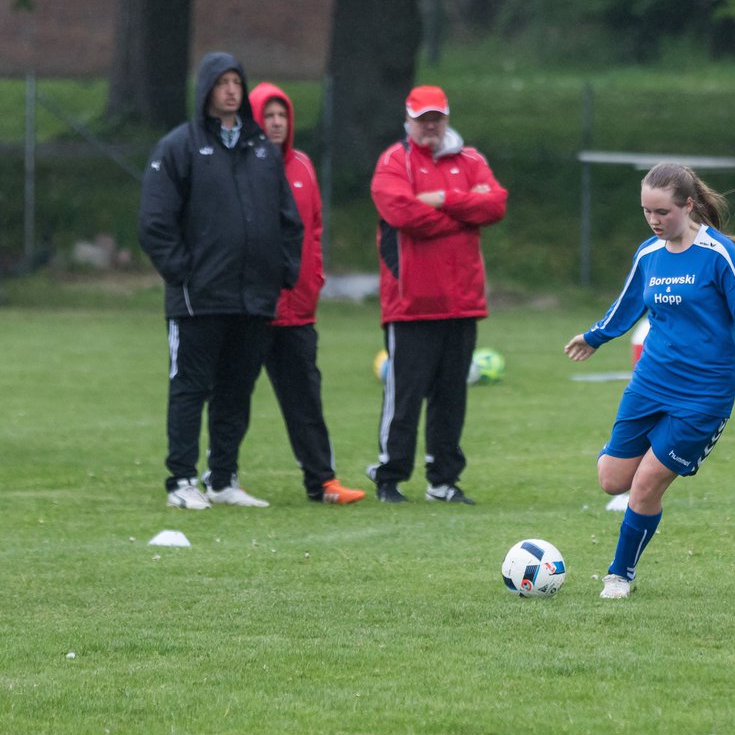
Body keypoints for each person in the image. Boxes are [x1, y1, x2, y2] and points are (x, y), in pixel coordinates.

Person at [564, 162, 735, 599]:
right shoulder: (648, 254)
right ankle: (656, 454)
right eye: (646, 212)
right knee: (611, 480)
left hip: (703, 395)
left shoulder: (718, 255)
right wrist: (595, 337)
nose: (654, 221)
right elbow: (627, 304)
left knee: (645, 484)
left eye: (662, 212)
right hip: (650, 383)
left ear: (688, 205)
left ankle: (620, 574)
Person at [139, 51, 303, 509]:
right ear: (207, 89)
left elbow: (289, 221)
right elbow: (154, 222)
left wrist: (282, 272)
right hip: (199, 297)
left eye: (237, 81)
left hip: (253, 297)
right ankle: (182, 482)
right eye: (222, 82)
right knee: (190, 387)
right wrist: (182, 273)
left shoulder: (261, 151)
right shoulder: (180, 146)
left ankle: (223, 478)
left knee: (236, 390)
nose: (231, 90)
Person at [367, 85, 508, 504]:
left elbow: (496, 205)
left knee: (451, 397)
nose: (430, 125)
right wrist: (464, 215)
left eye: (436, 117)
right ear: (408, 121)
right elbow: (402, 213)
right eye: (422, 118)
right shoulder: (394, 161)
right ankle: (389, 477)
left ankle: (443, 481)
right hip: (411, 303)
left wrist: (444, 198)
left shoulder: (471, 159)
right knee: (405, 398)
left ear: (446, 118)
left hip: (462, 302)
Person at [248, 82, 365, 505]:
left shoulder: (302, 166)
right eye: (268, 116)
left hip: (297, 310)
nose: (276, 123)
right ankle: (218, 476)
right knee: (232, 398)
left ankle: (323, 483)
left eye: (282, 116)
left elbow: (313, 231)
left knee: (306, 400)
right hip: (251, 308)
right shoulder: (242, 165)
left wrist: (312, 279)